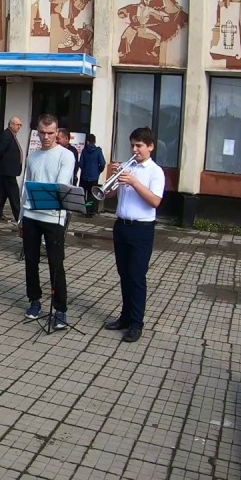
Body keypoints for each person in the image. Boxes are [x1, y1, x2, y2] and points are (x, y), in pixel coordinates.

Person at [104, 127, 165, 344]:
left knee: (137, 277)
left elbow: (155, 201)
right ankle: (125, 317)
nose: (134, 149)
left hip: (141, 229)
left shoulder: (155, 172)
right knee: (123, 274)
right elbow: (108, 195)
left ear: (150, 147)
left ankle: (137, 324)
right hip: (121, 226)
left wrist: (134, 182)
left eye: (139, 145)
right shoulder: (126, 167)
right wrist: (112, 176)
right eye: (132, 145)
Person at [20, 114, 76, 327]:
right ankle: (34, 300)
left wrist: (47, 194)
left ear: (57, 132)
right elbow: (26, 186)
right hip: (32, 216)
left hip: (54, 217)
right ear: (37, 131)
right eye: (42, 133)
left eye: (50, 133)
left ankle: (60, 309)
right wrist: (20, 218)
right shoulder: (33, 156)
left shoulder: (66, 155)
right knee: (31, 262)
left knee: (56, 264)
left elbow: (61, 185)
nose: (46, 137)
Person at [0, 117, 23, 223]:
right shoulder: (6, 135)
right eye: (17, 124)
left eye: (20, 125)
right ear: (11, 124)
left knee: (3, 192)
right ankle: (19, 217)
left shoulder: (11, 135)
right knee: (14, 194)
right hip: (7, 170)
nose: (19, 127)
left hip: (8, 170)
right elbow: (0, 150)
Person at [79, 134, 107, 216]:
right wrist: (98, 171)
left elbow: (81, 163)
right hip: (94, 177)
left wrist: (84, 170)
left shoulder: (84, 151)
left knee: (85, 194)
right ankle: (90, 211)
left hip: (84, 176)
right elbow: (102, 163)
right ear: (94, 141)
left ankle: (85, 210)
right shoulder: (98, 151)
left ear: (87, 141)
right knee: (92, 195)